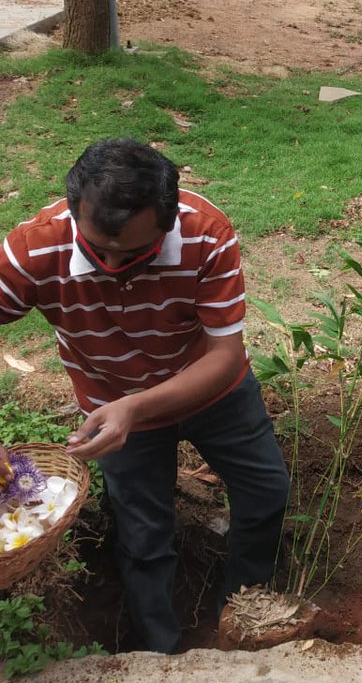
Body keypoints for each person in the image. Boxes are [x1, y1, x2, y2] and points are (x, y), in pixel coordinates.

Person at [0, 138, 290, 653]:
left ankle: (243, 611)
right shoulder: (34, 250)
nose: (112, 265)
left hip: (212, 391)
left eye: (133, 253)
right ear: (73, 215)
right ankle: (158, 652)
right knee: (142, 533)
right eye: (97, 249)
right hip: (110, 401)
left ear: (169, 219)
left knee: (266, 491)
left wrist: (136, 406)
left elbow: (224, 357)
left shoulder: (208, 234)